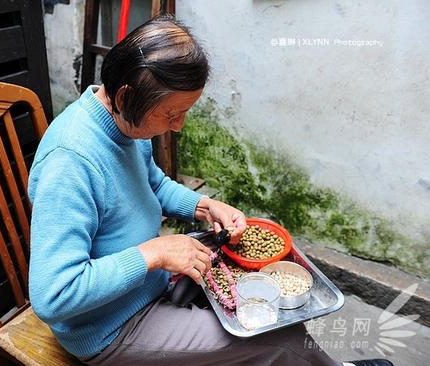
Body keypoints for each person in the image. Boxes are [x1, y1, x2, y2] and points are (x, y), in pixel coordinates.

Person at [28, 14, 393, 366]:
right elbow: (53, 295)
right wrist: (153, 253)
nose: (179, 126)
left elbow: (151, 184)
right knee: (279, 336)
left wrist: (204, 207)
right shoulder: (71, 161)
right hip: (112, 326)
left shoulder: (124, 124)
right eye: (171, 114)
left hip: (149, 286)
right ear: (125, 97)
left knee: (263, 291)